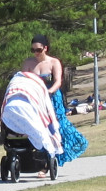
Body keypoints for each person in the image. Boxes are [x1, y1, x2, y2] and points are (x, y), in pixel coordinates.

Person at [22, 35, 88, 169]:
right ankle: (45, 161)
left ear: (45, 48)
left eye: (38, 50)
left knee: (58, 125)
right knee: (41, 127)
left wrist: (49, 92)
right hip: (36, 99)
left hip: (52, 97)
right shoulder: (28, 63)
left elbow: (58, 81)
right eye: (33, 50)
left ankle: (59, 155)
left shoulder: (53, 62)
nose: (36, 53)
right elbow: (23, 80)